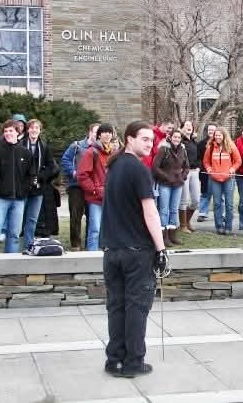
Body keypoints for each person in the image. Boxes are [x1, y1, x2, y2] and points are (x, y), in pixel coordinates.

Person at [100, 120, 167, 378]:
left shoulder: (114, 166)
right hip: (136, 252)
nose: (150, 144)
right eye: (144, 139)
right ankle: (133, 362)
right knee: (136, 307)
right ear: (129, 139)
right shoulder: (138, 169)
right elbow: (150, 212)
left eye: (152, 140)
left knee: (117, 306)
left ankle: (114, 359)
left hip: (113, 250)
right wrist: (161, 249)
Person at [0, 120, 34, 253]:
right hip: (0, 198)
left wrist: (24, 189)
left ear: (18, 133)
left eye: (11, 131)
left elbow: (31, 175)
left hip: (18, 200)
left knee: (14, 235)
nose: (8, 133)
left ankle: (10, 266)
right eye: (5, 131)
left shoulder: (25, 153)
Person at [60, 123, 100, 250]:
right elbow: (65, 159)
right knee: (75, 215)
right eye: (95, 132)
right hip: (76, 186)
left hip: (92, 186)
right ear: (89, 132)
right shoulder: (76, 146)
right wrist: (73, 172)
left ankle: (90, 244)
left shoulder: (100, 149)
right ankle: (75, 244)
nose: (97, 135)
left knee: (92, 216)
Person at [77, 123, 115, 251]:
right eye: (104, 132)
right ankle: (91, 258)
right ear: (99, 135)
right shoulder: (91, 152)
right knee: (95, 229)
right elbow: (82, 175)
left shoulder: (115, 152)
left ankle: (108, 258)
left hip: (111, 197)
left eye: (110, 132)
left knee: (110, 230)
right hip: (95, 198)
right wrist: (94, 189)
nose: (107, 135)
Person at [20, 119, 57, 249]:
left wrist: (40, 177)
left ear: (40, 130)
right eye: (31, 127)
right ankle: (17, 245)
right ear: (27, 130)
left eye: (37, 128)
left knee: (32, 219)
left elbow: (51, 167)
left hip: (38, 188)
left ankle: (29, 245)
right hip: (23, 187)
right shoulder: (21, 145)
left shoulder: (44, 147)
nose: (34, 130)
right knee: (20, 218)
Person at [152, 129, 189, 246]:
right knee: (164, 211)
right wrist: (166, 177)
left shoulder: (183, 150)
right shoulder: (164, 149)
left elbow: (186, 166)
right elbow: (155, 167)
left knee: (174, 210)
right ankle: (164, 236)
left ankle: (173, 235)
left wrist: (182, 177)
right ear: (170, 137)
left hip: (178, 185)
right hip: (165, 184)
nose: (177, 139)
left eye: (179, 137)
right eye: (175, 137)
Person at [203, 126, 242, 235]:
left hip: (228, 179)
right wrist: (209, 169)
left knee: (229, 204)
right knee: (217, 203)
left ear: (224, 136)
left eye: (219, 135)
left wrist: (232, 169)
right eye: (216, 135)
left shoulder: (231, 146)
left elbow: (238, 161)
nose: (217, 137)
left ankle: (228, 227)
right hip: (215, 179)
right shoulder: (210, 147)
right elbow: (205, 161)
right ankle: (219, 226)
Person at [178, 120, 200, 233]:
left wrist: (198, 166)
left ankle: (187, 221)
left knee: (196, 200)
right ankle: (182, 225)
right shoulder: (179, 141)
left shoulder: (194, 142)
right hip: (184, 172)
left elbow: (199, 156)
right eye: (186, 125)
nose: (189, 127)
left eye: (190, 125)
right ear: (181, 128)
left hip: (194, 172)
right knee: (184, 199)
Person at [197, 123, 216, 222]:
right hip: (205, 172)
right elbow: (198, 159)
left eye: (213, 129)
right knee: (205, 193)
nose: (211, 131)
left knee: (219, 195)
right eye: (209, 129)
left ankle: (221, 213)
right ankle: (202, 213)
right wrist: (202, 170)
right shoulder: (201, 144)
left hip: (218, 173)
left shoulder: (220, 143)